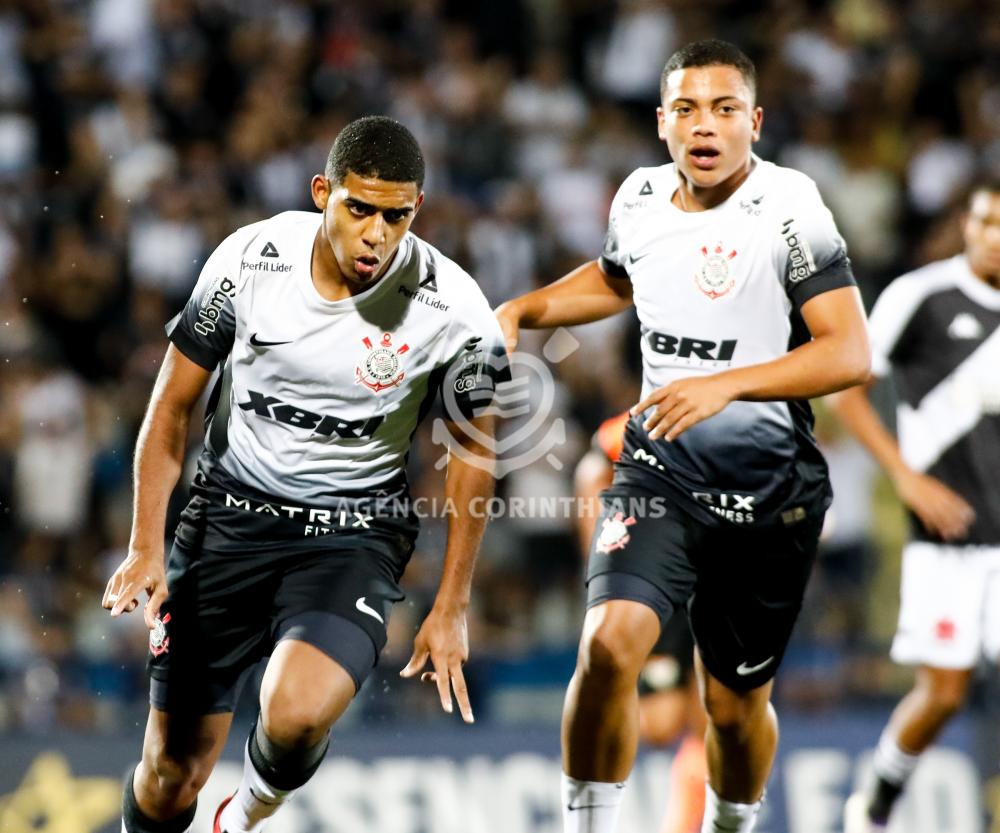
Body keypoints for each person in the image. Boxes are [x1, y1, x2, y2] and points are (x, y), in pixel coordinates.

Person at [495, 39, 870, 833]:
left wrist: (725, 383)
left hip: (770, 491)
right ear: (663, 122)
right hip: (657, 471)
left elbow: (848, 351)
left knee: (732, 713)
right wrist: (525, 309)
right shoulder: (636, 197)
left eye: (726, 109)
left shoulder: (791, 207)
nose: (707, 126)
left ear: (755, 122)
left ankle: (730, 822)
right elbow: (615, 278)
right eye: (689, 109)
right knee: (606, 648)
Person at [102, 116, 508, 833]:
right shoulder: (250, 260)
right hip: (227, 518)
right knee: (170, 773)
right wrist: (144, 543)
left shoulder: (455, 308)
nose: (377, 234)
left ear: (417, 210)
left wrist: (452, 602)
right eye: (359, 209)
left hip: (350, 536)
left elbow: (476, 456)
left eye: (396, 215)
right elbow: (171, 408)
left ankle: (245, 815)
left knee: (294, 712)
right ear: (323, 192)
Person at [838, 181, 1000, 833]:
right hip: (950, 539)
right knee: (943, 693)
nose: (994, 236)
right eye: (986, 221)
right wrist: (905, 476)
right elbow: (850, 384)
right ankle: (876, 801)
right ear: (968, 225)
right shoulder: (923, 296)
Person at [575, 411, 707, 833]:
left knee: (714, 719)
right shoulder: (645, 422)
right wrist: (603, 567)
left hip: (714, 582)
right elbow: (592, 470)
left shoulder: (739, 419)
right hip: (659, 583)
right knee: (661, 724)